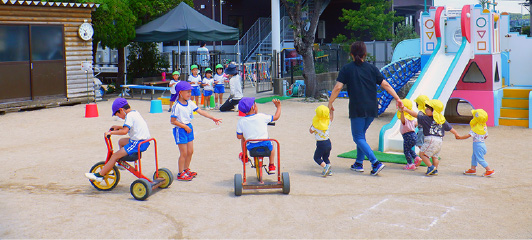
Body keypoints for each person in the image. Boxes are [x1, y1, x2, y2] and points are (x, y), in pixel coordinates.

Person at [328, 41, 403, 176]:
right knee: (361, 135)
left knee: (357, 137)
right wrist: (397, 98)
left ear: (351, 54)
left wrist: (330, 103)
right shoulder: (372, 68)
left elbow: (337, 87)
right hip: (372, 107)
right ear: (365, 54)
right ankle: (358, 163)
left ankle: (375, 162)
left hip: (357, 107)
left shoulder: (347, 69)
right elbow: (385, 84)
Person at [85, 98, 151, 182]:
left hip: (138, 143)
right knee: (121, 142)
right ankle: (121, 162)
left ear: (121, 110)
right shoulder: (134, 113)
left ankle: (100, 176)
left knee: (114, 156)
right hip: (144, 140)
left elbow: (124, 131)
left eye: (117, 115)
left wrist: (111, 133)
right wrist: (117, 127)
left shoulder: (129, 116)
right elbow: (131, 127)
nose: (119, 117)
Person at [171, 81, 222, 181]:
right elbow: (173, 121)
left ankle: (186, 169)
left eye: (190, 92)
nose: (190, 94)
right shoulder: (176, 106)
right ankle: (180, 173)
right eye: (188, 92)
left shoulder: (190, 103)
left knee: (190, 151)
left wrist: (212, 118)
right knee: (184, 153)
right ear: (180, 93)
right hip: (181, 130)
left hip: (189, 128)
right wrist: (184, 126)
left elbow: (201, 111)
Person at [402, 99, 460, 176]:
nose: (426, 109)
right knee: (435, 156)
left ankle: (431, 167)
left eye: (428, 108)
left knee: (422, 154)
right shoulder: (442, 120)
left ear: (434, 111)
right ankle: (435, 169)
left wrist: (406, 109)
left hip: (431, 139)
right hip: (440, 140)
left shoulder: (426, 118)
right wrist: (456, 134)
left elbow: (415, 115)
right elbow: (450, 128)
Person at [236, 97, 281, 174]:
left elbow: (239, 137)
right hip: (265, 145)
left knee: (243, 138)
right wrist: (278, 107)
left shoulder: (241, 121)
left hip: (251, 146)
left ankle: (245, 156)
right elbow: (276, 117)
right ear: (253, 107)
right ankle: (271, 165)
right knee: (272, 143)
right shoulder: (261, 116)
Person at [457, 109, 495, 177]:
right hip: (482, 144)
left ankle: (489, 170)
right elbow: (486, 136)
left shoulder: (475, 129)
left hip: (477, 146)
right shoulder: (484, 126)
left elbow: (468, 135)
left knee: (480, 159)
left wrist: (460, 137)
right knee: (474, 156)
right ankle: (473, 169)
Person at [309, 105, 334, 177]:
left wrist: (313, 124)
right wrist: (331, 111)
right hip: (328, 143)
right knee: (325, 157)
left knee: (316, 158)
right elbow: (331, 118)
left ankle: (325, 167)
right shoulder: (327, 122)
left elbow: (310, 131)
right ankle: (329, 171)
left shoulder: (316, 125)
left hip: (321, 144)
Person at [397, 99, 421, 170]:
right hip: (414, 135)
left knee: (406, 151)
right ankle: (416, 158)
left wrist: (402, 113)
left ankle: (410, 164)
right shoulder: (412, 119)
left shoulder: (405, 119)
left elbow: (403, 120)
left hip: (407, 136)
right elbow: (416, 124)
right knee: (409, 149)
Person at [413, 95, 430, 167]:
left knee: (420, 144)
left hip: (421, 130)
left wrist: (416, 124)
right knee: (424, 143)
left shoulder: (420, 112)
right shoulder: (429, 111)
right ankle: (426, 154)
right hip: (427, 130)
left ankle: (423, 155)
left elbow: (420, 119)